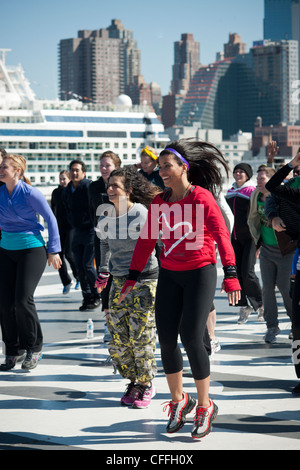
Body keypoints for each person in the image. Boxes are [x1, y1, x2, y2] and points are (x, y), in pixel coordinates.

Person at [117, 139, 241, 439]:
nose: (161, 172)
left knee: (191, 337)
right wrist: (132, 276)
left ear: (183, 168)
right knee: (167, 340)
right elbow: (147, 240)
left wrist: (232, 274)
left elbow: (221, 234)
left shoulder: (201, 198)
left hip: (200, 272)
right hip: (170, 274)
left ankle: (204, 404)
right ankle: (177, 400)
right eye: (158, 168)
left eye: (166, 166)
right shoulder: (159, 202)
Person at [95, 166, 159, 408]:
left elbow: (157, 244)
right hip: (119, 279)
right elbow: (103, 245)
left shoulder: (141, 213)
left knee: (141, 335)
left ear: (129, 190)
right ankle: (133, 380)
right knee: (119, 337)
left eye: (115, 186)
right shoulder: (105, 216)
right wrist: (103, 271)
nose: (110, 189)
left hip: (144, 280)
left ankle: (146, 383)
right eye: (109, 185)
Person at [0, 154, 61, 371]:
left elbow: (51, 219)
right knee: (5, 304)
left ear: (17, 171)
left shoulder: (30, 193)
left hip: (31, 249)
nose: (0, 169)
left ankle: (34, 348)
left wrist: (54, 250)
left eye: (4, 167)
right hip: (5, 249)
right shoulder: (0, 192)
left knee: (22, 300)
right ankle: (12, 350)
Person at [265, 153, 300, 394]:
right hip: (298, 261)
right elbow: (271, 187)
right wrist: (290, 165)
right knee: (298, 322)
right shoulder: (293, 190)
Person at [248, 166, 293, 343]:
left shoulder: (282, 197)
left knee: (285, 288)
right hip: (267, 249)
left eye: (262, 179)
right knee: (267, 289)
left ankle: (295, 323)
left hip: (285, 251)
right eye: (257, 179)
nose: (258, 182)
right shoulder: (256, 196)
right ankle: (271, 326)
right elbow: (254, 221)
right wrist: (258, 243)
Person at [88, 151, 121, 339]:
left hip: (123, 238)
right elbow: (91, 210)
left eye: (107, 165)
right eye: (101, 165)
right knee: (104, 279)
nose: (103, 169)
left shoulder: (125, 185)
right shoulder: (93, 187)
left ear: (116, 166)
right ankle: (109, 321)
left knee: (121, 277)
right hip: (101, 238)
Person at [226, 162, 263, 324]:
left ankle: (260, 305)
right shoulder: (230, 191)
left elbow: (257, 215)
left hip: (249, 238)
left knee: (248, 272)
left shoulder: (252, 191)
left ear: (248, 175)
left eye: (242, 172)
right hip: (233, 238)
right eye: (236, 171)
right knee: (237, 273)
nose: (238, 174)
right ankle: (243, 306)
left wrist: (259, 242)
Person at [62, 159, 100, 311]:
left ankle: (98, 295)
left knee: (88, 265)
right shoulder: (67, 190)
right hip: (77, 231)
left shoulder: (88, 187)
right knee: (79, 266)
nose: (75, 173)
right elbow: (66, 209)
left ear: (84, 173)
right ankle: (87, 297)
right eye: (72, 170)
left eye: (78, 170)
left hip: (90, 230)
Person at [51, 170, 79, 294]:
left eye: (64, 179)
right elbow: (52, 209)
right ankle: (66, 282)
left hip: (70, 227)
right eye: (60, 179)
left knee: (69, 254)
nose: (62, 182)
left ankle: (79, 277)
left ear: (69, 179)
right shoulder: (56, 192)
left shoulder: (71, 192)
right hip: (58, 227)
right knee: (58, 256)